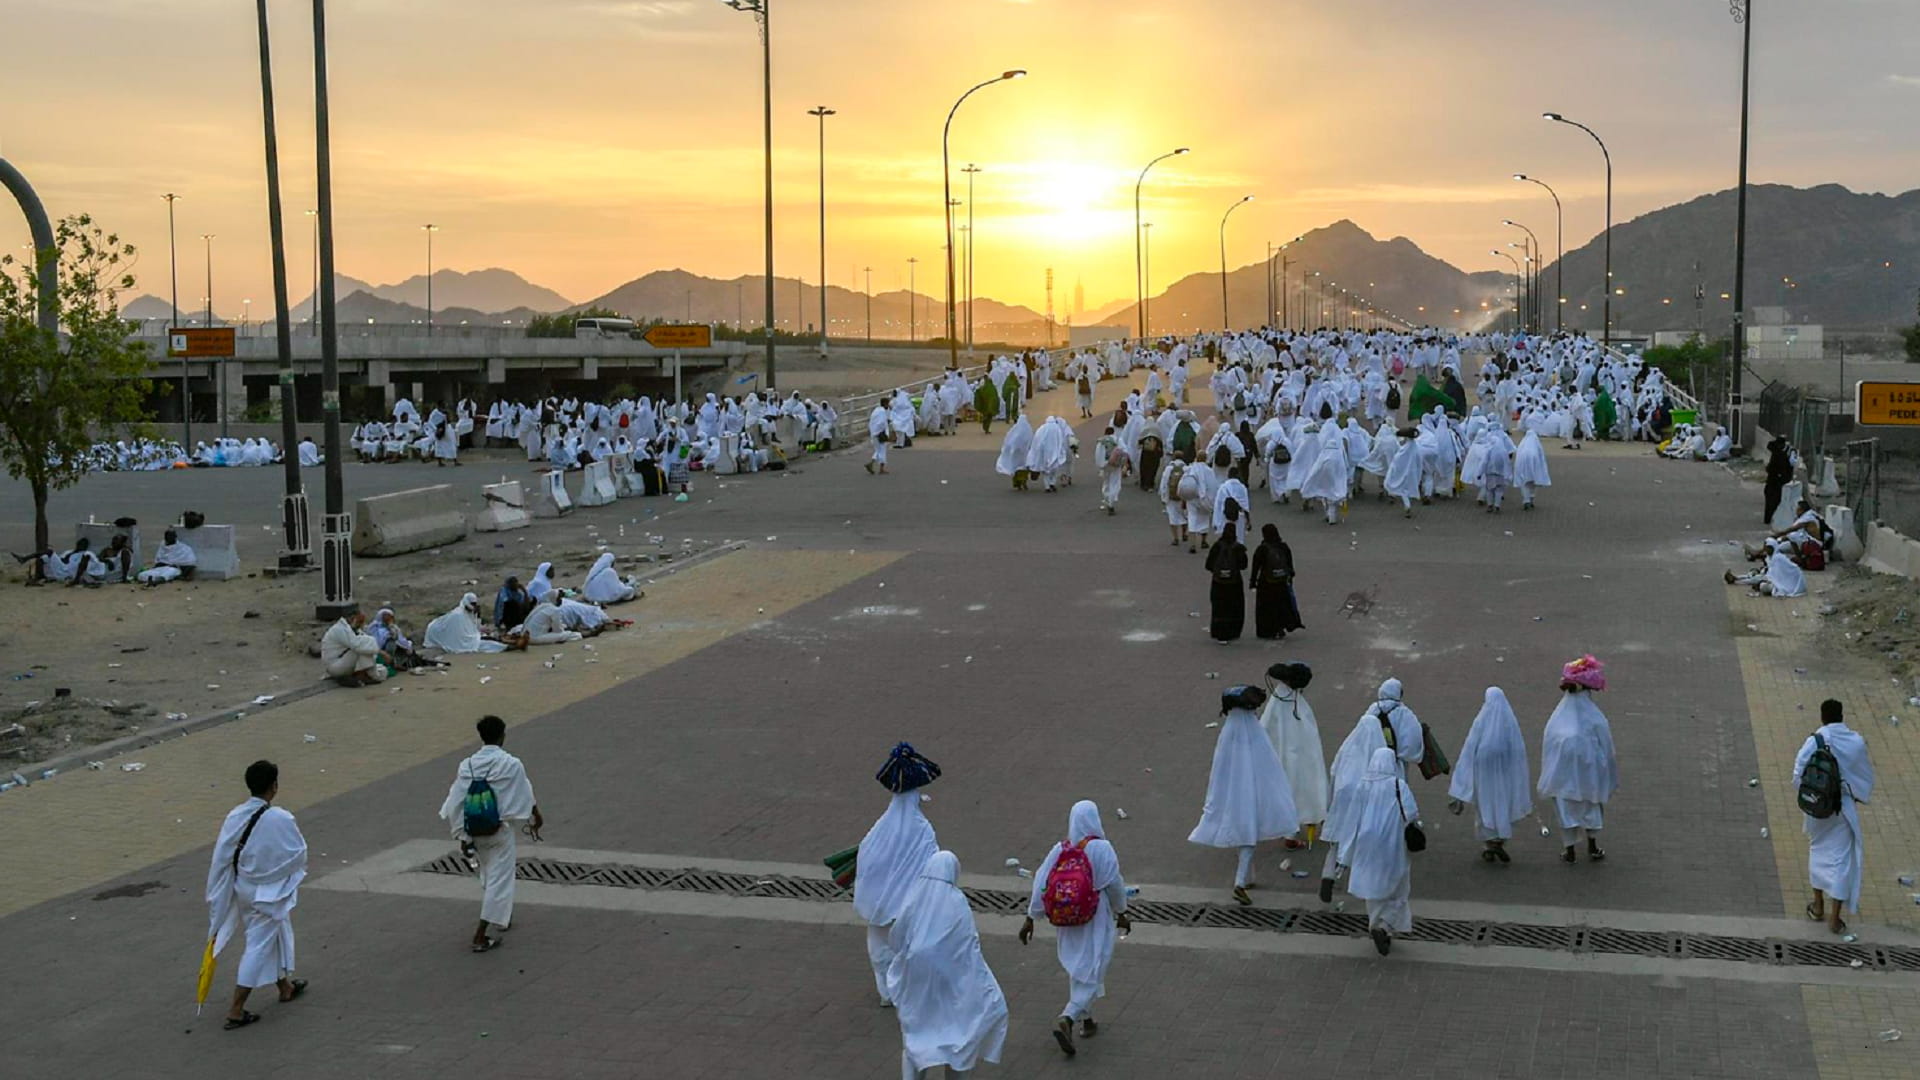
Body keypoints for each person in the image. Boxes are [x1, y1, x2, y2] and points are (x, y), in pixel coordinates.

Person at [1019, 800, 1130, 1058]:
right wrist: (1122, 912)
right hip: (1095, 916)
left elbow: (1040, 882)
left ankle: (1087, 1020)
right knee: (1094, 966)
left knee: (1081, 968)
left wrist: (1030, 917)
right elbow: (1114, 883)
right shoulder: (1102, 848)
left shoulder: (1060, 849)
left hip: (1067, 921)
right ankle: (1068, 1017)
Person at [886, 851, 1009, 1080]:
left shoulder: (915, 896)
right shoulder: (957, 901)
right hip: (952, 981)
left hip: (917, 980)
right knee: (958, 1035)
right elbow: (969, 944)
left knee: (916, 1035)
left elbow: (897, 936)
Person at [206, 760, 309, 1029]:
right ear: (274, 786)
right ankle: (236, 1009)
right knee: (258, 945)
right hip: (269, 894)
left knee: (273, 934)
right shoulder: (280, 818)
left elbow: (221, 858)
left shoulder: (235, 815)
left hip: (243, 889)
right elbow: (298, 854)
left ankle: (284, 987)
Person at [1188, 684, 1301, 905]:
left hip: (1232, 795)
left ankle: (1248, 879)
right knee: (1249, 836)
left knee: (1244, 834)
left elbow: (1219, 770)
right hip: (1253, 794)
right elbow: (1271, 769)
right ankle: (1240, 882)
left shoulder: (1227, 733)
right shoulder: (1255, 732)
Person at [439, 715, 541, 952]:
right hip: (499, 831)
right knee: (500, 880)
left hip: (474, 831)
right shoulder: (511, 764)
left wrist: (462, 836)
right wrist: (535, 815)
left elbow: (456, 800)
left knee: (488, 873)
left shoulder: (467, 765)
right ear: (502, 735)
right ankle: (480, 935)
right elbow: (524, 792)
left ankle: (499, 916)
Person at [1319, 678, 1424, 902]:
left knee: (1339, 839)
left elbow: (1334, 772)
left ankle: (1330, 874)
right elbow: (1413, 749)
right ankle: (1370, 884)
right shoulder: (1405, 715)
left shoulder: (1367, 719)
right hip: (1389, 768)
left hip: (1345, 796)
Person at [856, 742, 941, 1008]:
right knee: (907, 943)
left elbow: (866, 859)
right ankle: (907, 988)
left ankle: (886, 991)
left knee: (880, 943)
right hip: (908, 902)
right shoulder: (922, 830)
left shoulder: (880, 828)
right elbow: (932, 863)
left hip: (879, 900)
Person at [1794, 700, 1873, 935]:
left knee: (1817, 850)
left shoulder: (1815, 740)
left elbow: (1798, 772)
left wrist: (1810, 797)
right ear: (1841, 716)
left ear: (1822, 717)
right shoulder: (1856, 742)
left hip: (1818, 808)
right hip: (1843, 809)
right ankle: (1835, 919)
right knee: (1840, 861)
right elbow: (1864, 776)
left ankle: (1817, 906)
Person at [1335, 747, 1421, 956]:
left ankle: (1375, 924)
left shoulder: (1362, 786)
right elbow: (1412, 814)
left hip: (1367, 845)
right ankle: (1385, 926)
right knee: (1398, 887)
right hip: (1392, 844)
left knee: (1373, 889)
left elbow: (1351, 820)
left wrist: (1343, 856)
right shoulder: (1399, 785)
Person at [1537, 655, 1618, 863]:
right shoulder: (1595, 718)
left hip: (1564, 780)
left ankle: (1570, 850)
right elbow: (1607, 746)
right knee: (1591, 808)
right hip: (1589, 778)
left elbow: (1548, 748)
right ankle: (1592, 846)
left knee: (1566, 811)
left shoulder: (1557, 722)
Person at [1446, 687, 1533, 864]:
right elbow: (1518, 750)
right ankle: (1498, 841)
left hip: (1483, 770)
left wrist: (1460, 789)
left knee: (1485, 805)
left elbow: (1469, 749)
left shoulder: (1481, 720)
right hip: (1504, 771)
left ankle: (1489, 845)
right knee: (1502, 803)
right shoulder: (1510, 722)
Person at [1260, 662, 1328, 849]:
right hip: (1298, 758)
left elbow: (1266, 728)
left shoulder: (1279, 698)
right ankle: (1296, 828)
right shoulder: (1296, 703)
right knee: (1300, 789)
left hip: (1280, 757)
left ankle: (1289, 831)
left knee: (1285, 791)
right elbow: (1308, 736)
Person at [1247, 524, 1303, 640]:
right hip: (1281, 581)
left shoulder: (1262, 549)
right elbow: (1289, 564)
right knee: (1281, 605)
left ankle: (1267, 630)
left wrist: (1253, 582)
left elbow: (1256, 567)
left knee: (1266, 607)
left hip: (1266, 582)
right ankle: (1280, 628)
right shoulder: (1283, 547)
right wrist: (1290, 576)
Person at [425, 593, 514, 654]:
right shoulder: (458, 615)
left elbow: (475, 627)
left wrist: (478, 615)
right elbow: (462, 636)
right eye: (472, 604)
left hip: (472, 636)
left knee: (489, 640)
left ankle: (510, 644)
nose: (474, 606)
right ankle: (508, 647)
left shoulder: (470, 613)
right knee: (484, 645)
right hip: (437, 633)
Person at [1204, 523, 1247, 643]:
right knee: (1234, 607)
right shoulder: (1238, 547)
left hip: (1218, 582)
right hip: (1235, 582)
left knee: (1219, 607)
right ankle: (1232, 632)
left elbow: (1209, 565)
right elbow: (1244, 565)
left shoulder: (1217, 546)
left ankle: (1220, 633)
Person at [320, 612, 386, 686]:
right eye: (360, 622)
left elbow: (364, 640)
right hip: (335, 666)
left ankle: (358, 675)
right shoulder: (339, 629)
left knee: (382, 670)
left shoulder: (352, 629)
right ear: (352, 619)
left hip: (343, 662)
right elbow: (357, 645)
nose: (361, 625)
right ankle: (361, 675)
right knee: (361, 649)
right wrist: (381, 652)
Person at [1763, 434, 1793, 524]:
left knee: (1771, 501)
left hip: (1773, 480)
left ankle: (1768, 518)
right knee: (1775, 500)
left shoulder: (1776, 452)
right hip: (1777, 481)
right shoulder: (1780, 455)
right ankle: (1772, 518)